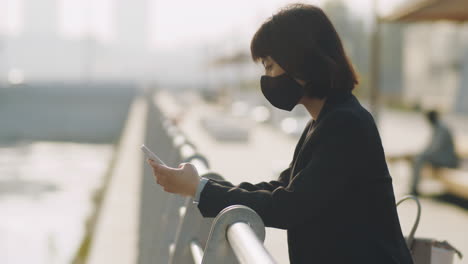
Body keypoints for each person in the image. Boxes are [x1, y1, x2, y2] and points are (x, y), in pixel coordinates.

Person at [147, 4, 413, 264]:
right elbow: (284, 189)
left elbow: (290, 206)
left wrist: (200, 189)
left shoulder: (346, 124)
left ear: (301, 62)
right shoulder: (325, 121)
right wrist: (203, 188)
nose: (267, 77)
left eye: (270, 66)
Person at [410, 110, 459, 196]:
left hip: (447, 161)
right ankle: (414, 187)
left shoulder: (442, 129)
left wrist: (422, 155)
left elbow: (435, 149)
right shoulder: (437, 127)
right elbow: (431, 147)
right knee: (418, 158)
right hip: (441, 158)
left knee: (419, 159)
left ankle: (414, 189)